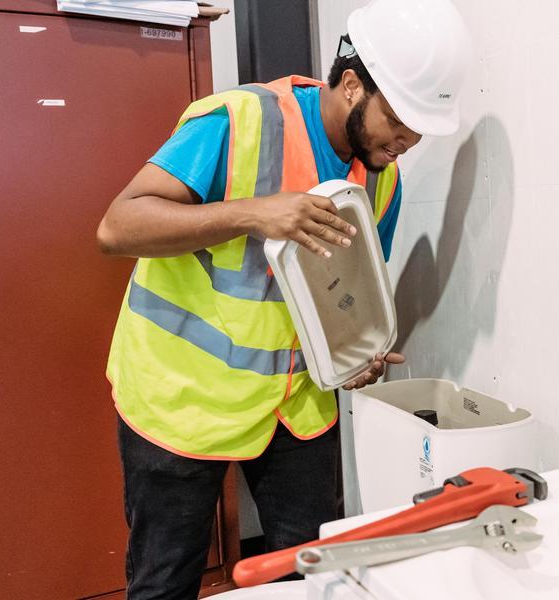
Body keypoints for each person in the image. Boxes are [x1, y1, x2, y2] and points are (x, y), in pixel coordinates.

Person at [94, 0, 472, 597]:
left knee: (309, 573)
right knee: (165, 579)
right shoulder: (238, 120)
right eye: (399, 119)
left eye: (419, 127)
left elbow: (347, 293)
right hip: (182, 393)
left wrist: (356, 356)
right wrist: (253, 214)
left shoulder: (380, 178)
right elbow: (117, 227)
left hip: (295, 409)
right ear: (352, 85)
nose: (408, 140)